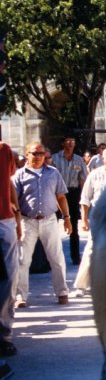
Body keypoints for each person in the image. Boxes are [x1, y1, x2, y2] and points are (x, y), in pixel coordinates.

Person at [12, 142, 72, 306]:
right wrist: (16, 224)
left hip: (49, 220)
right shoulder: (19, 176)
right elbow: (14, 202)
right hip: (27, 221)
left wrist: (67, 218)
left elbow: (61, 197)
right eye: (34, 153)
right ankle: (21, 296)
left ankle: (62, 292)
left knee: (56, 258)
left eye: (41, 153)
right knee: (23, 260)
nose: (38, 157)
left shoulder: (53, 173)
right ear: (27, 155)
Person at [73, 146, 106, 297]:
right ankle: (82, 285)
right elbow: (85, 199)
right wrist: (84, 220)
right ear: (102, 158)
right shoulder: (94, 175)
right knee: (91, 251)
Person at [50, 136, 88, 265]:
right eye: (68, 140)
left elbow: (83, 179)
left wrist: (82, 197)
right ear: (63, 142)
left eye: (73, 141)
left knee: (74, 227)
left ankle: (75, 257)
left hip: (73, 192)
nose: (71, 143)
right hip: (56, 194)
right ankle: (51, 259)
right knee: (52, 225)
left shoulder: (79, 159)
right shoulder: (55, 158)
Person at [0, 140, 21, 358]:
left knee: (9, 277)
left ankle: (4, 334)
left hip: (3, 220)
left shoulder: (3, 150)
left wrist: (16, 216)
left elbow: (8, 182)